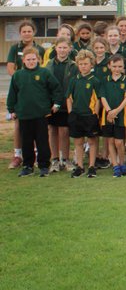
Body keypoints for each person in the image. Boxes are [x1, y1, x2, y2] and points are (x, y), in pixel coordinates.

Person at [7, 47, 62, 177]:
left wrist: (57, 103)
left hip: (41, 114)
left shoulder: (44, 73)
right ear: (23, 60)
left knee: (42, 141)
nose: (31, 62)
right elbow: (12, 94)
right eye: (28, 59)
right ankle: (28, 166)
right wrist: (12, 110)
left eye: (33, 59)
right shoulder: (17, 75)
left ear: (38, 59)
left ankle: (43, 166)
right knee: (26, 142)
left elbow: (56, 89)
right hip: (24, 115)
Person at [6, 20, 46, 170]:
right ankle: (18, 155)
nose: (27, 33)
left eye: (29, 31)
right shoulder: (14, 48)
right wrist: (23, 78)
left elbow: (42, 69)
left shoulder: (40, 49)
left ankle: (36, 155)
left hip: (37, 91)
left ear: (34, 32)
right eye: (24, 31)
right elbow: (10, 68)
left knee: (37, 126)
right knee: (19, 125)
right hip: (20, 89)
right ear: (20, 33)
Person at [66, 50, 102, 178]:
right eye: (81, 64)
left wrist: (95, 115)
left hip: (90, 115)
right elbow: (69, 97)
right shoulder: (74, 80)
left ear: (91, 64)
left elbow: (98, 99)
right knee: (78, 142)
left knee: (92, 142)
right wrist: (71, 113)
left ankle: (92, 166)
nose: (83, 66)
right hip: (76, 115)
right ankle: (80, 166)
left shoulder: (95, 81)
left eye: (86, 64)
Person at [99, 53, 126, 178]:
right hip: (107, 116)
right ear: (109, 66)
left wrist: (116, 111)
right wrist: (109, 111)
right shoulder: (104, 80)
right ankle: (115, 166)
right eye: (114, 66)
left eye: (120, 66)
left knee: (119, 142)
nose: (117, 69)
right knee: (110, 141)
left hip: (121, 115)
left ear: (123, 67)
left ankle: (122, 162)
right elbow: (102, 96)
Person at [44, 37, 76, 172]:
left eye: (65, 47)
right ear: (55, 48)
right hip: (51, 104)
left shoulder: (73, 66)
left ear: (69, 49)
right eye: (60, 47)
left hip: (65, 103)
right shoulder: (48, 65)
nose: (62, 50)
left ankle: (66, 159)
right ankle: (55, 159)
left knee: (64, 131)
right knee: (52, 130)